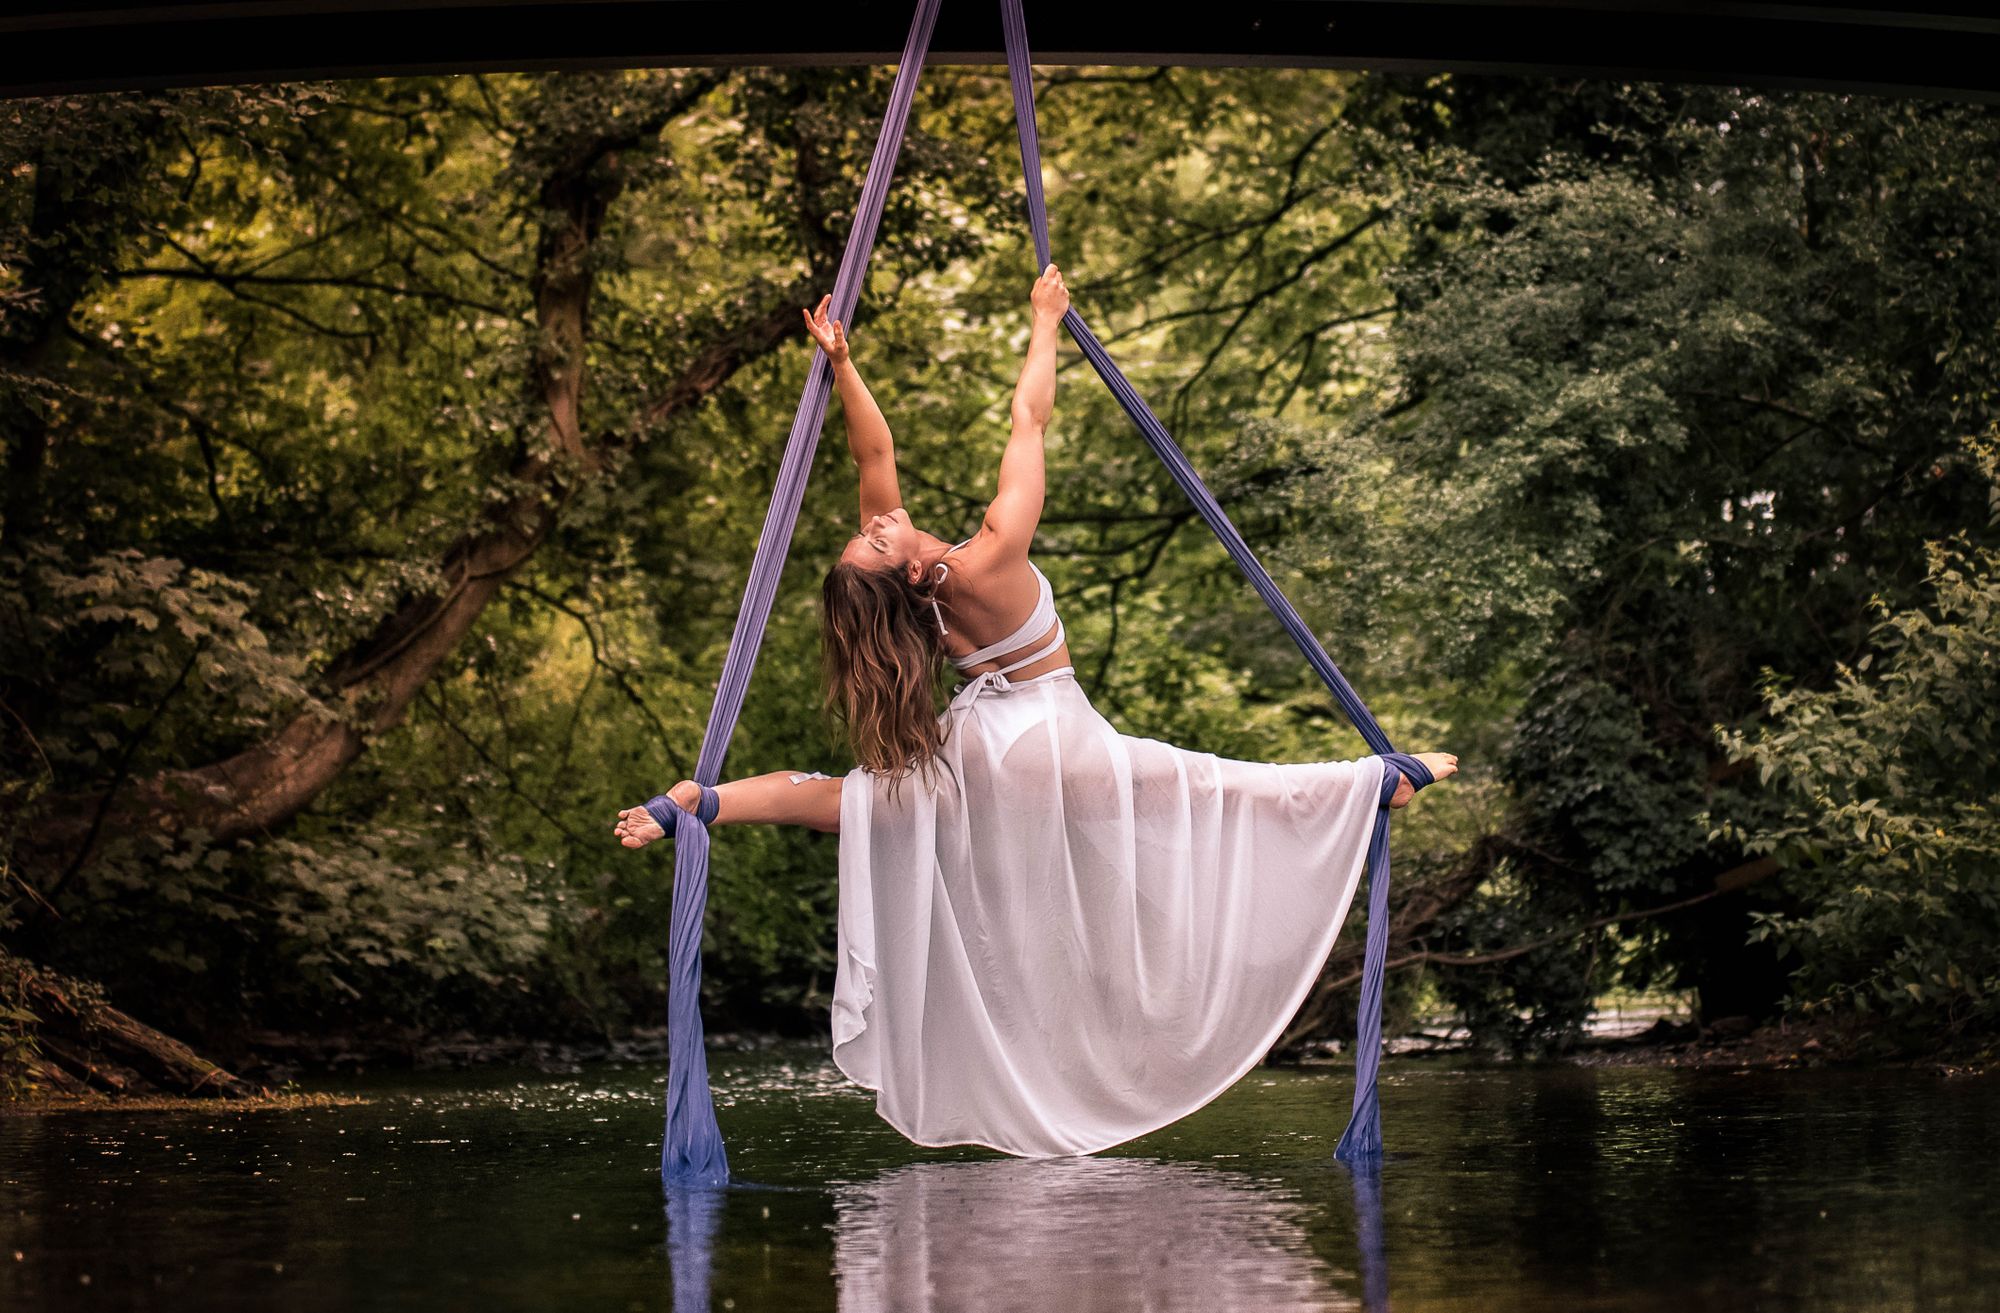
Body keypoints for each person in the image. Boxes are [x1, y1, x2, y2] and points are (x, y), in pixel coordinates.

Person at [613, 264, 1457, 1156]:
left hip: (980, 737)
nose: (875, 519)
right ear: (896, 565)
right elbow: (1030, 419)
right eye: (871, 535)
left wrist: (844, 364)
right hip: (1046, 737)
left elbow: (873, 455)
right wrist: (1046, 321)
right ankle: (1373, 787)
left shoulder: (918, 594)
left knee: (856, 798)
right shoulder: (988, 559)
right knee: (1204, 791)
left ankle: (702, 803)